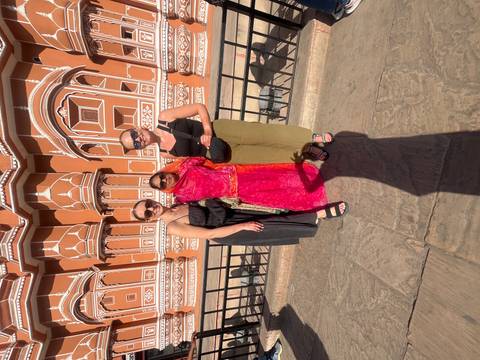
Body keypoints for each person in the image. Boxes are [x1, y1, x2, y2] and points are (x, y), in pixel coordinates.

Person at [119, 103, 332, 163]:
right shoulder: (165, 153)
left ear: (139, 128)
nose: (140, 140)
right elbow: (195, 161)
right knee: (263, 158)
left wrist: (207, 130)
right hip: (219, 154)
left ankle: (308, 138)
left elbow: (199, 107)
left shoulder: (165, 117)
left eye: (135, 136)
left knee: (264, 134)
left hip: (222, 130)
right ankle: (306, 152)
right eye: (136, 144)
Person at [131, 199, 348, 246]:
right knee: (272, 226)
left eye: (148, 204)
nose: (152, 208)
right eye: (148, 213)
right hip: (229, 230)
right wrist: (241, 227)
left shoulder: (177, 202)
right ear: (151, 219)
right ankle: (319, 215)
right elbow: (207, 235)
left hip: (231, 215)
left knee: (273, 216)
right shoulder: (172, 227)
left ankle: (312, 214)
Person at [150, 157, 329, 211]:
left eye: (162, 177)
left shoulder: (184, 165)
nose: (165, 180)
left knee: (274, 176)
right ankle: (309, 196)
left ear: (164, 171)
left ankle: (305, 178)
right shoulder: (182, 197)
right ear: (165, 189)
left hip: (237, 174)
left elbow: (204, 161)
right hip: (237, 193)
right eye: (162, 184)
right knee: (273, 193)